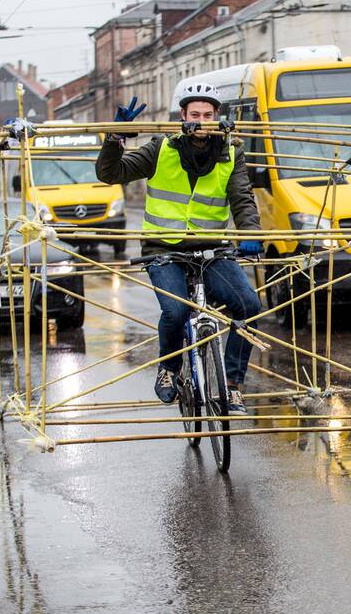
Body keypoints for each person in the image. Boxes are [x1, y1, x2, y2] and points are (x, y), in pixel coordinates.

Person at [95, 86, 263, 414]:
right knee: (175, 311)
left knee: (248, 305)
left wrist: (251, 233)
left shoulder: (231, 151)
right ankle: (169, 369)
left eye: (209, 115)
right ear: (182, 117)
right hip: (163, 249)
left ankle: (233, 386)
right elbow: (110, 173)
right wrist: (115, 137)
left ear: (218, 118)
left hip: (212, 249)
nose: (202, 122)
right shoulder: (161, 148)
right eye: (195, 115)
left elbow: (242, 197)